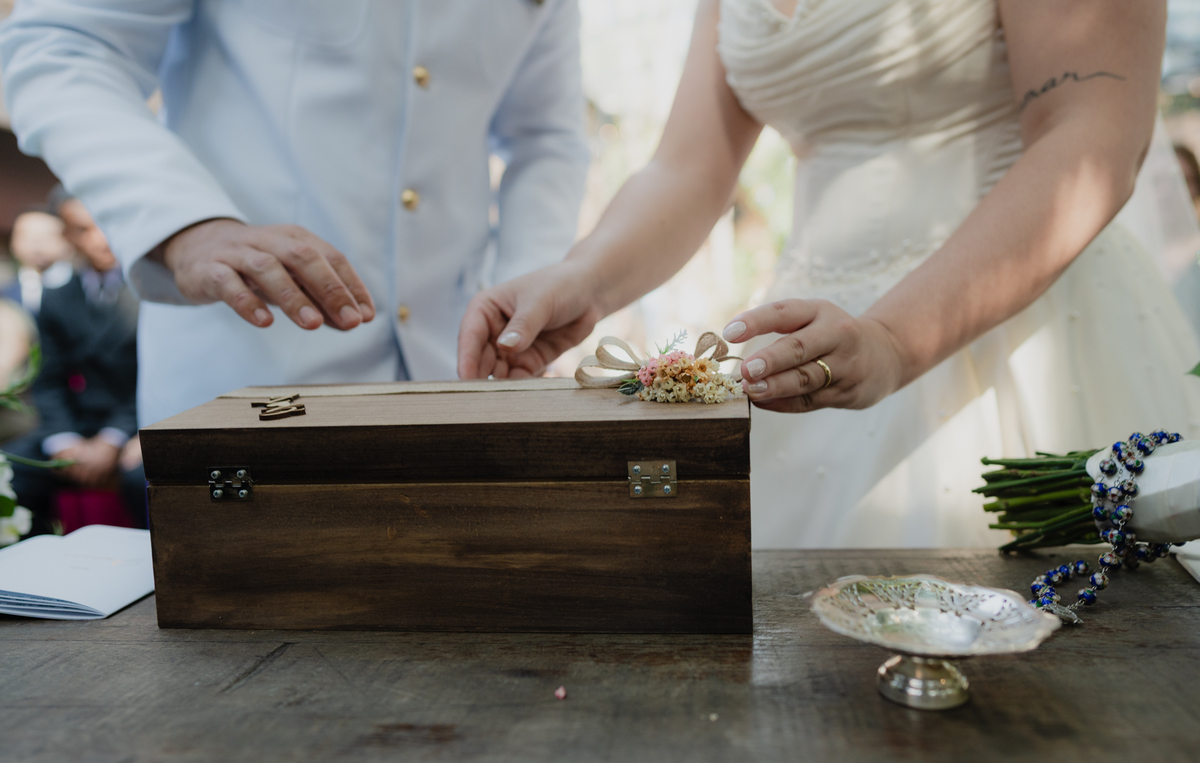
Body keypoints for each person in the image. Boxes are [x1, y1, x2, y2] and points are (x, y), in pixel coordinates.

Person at [458, 0, 1200, 548]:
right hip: (808, 345)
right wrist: (583, 278)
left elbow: (1093, 133)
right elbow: (690, 166)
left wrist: (893, 337)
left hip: (1012, 330)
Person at [0, 1, 589, 427]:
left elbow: (546, 138)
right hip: (247, 385)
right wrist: (185, 227)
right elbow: (62, 47)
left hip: (461, 379)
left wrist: (524, 285)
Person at [6, 189, 144, 535]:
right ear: (66, 234)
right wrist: (64, 440)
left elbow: (161, 376)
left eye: (106, 225)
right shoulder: (56, 297)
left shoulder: (152, 291)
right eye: (83, 229)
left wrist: (114, 439)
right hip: (79, 428)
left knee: (142, 481)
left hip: (139, 427)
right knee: (10, 473)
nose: (100, 239)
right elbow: (48, 378)